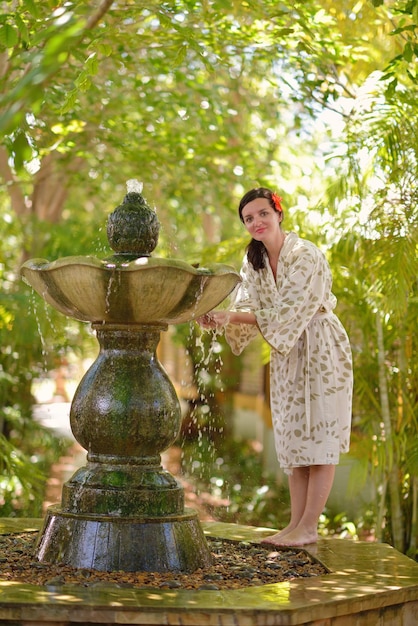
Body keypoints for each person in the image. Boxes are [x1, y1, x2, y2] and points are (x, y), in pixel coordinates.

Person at [198, 187, 353, 547]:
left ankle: (309, 526)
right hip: (286, 355)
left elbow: (289, 312)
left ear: (278, 214)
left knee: (320, 434)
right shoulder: (253, 263)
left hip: (320, 347)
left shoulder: (306, 255)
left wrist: (232, 315)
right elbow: (246, 305)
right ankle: (295, 525)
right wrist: (218, 317)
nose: (256, 222)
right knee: (295, 439)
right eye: (249, 218)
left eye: (262, 214)